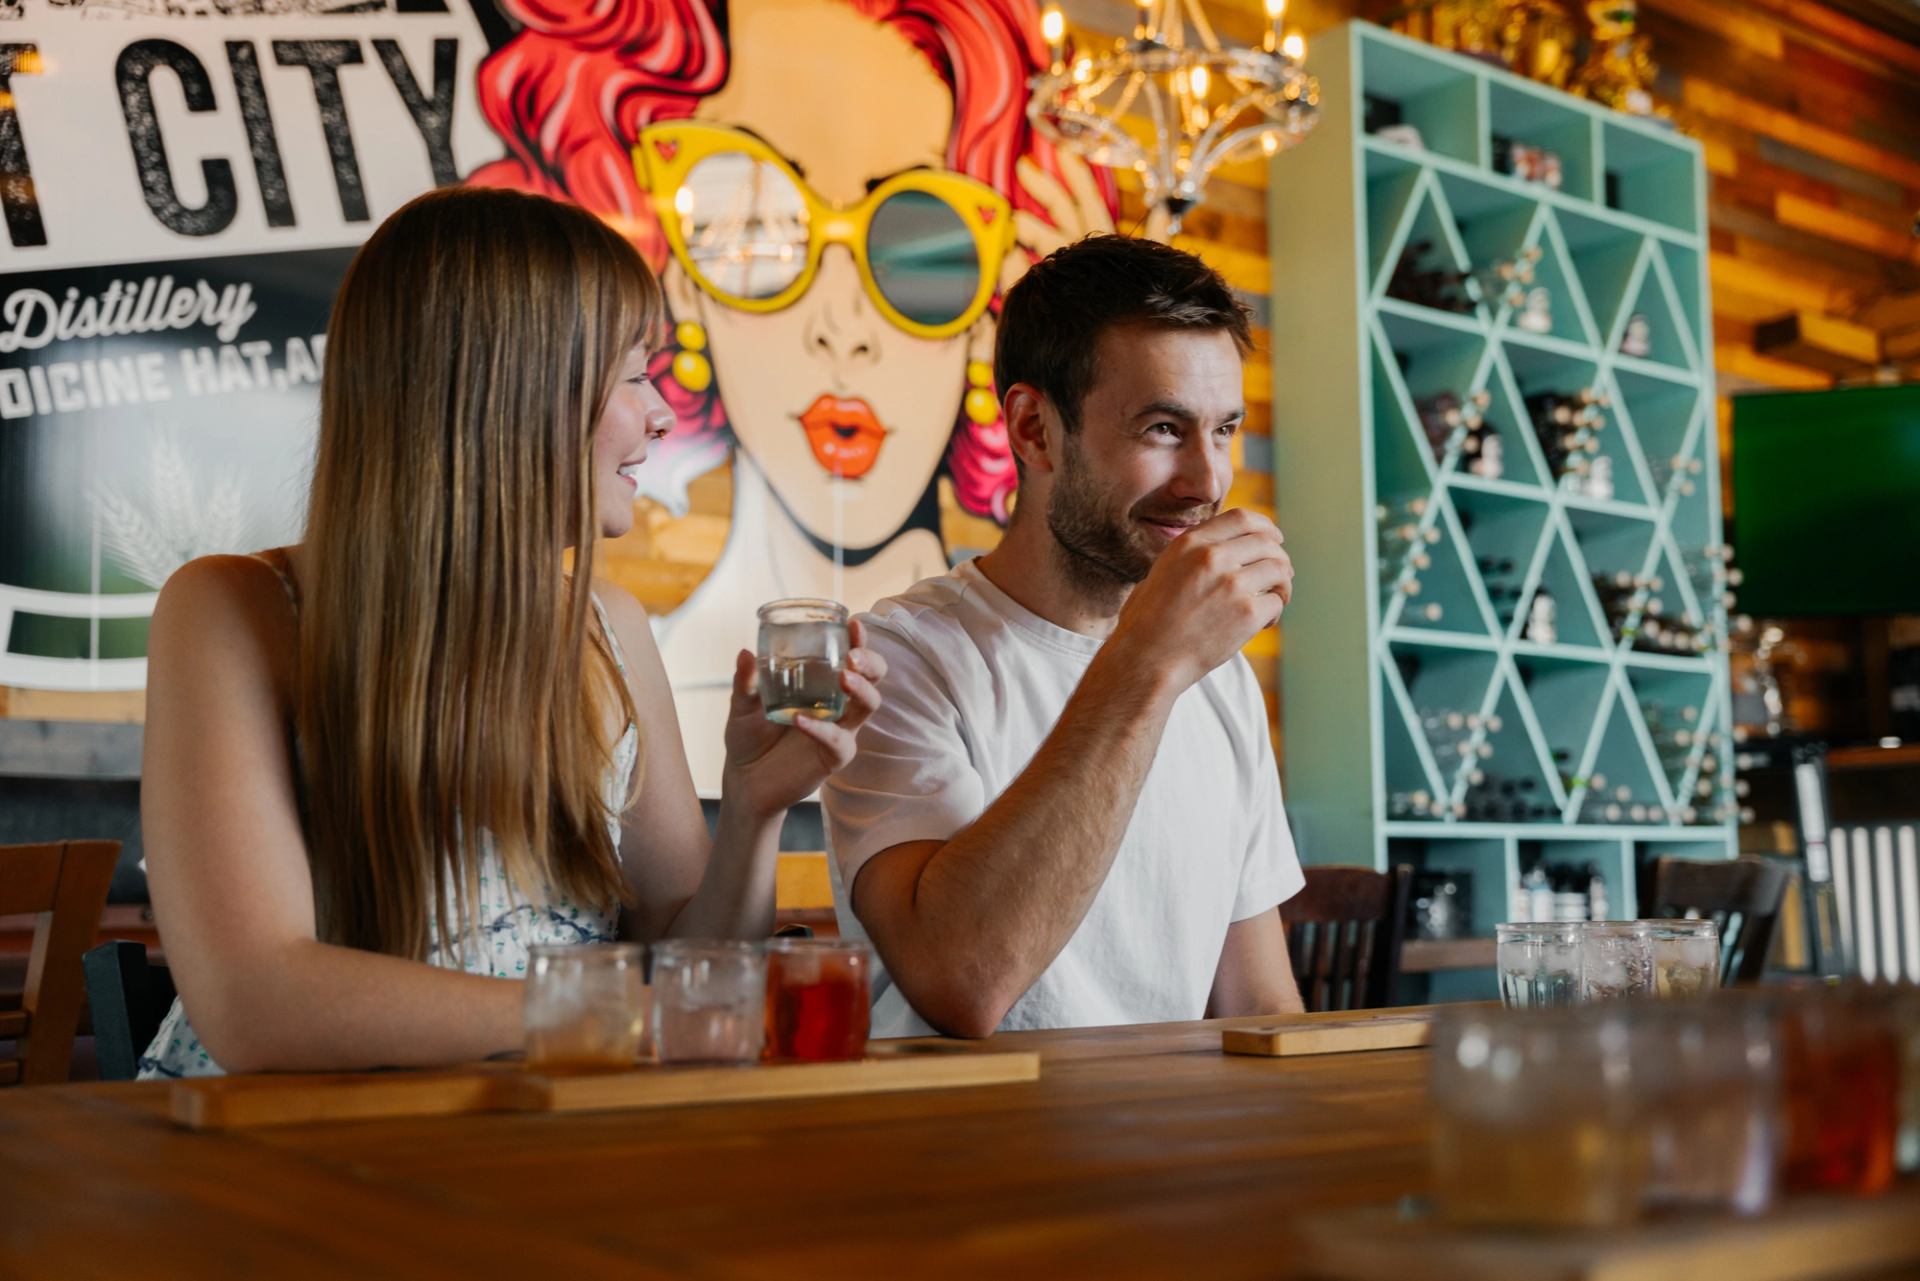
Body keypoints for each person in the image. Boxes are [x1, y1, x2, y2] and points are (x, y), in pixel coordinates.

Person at [135, 187, 885, 1078]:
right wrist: (628, 1011)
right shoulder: (233, 610)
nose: (661, 416)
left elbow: (687, 950)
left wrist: (755, 810)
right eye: (637, 373)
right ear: (513, 386)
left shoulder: (611, 628)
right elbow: (259, 1002)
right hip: (288, 1161)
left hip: (537, 1141)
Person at [469, 0, 1151, 795]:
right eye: (753, 221)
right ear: (682, 283)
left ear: (995, 309)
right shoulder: (621, 659)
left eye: (920, 252)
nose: (841, 328)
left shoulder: (1042, 684)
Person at [822, 234, 1305, 1038]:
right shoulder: (902, 657)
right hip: (975, 1157)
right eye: (1162, 428)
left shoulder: (1219, 680)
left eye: (1223, 430)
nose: (1208, 481)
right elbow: (962, 982)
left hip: (1176, 1154)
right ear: (1034, 430)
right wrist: (1147, 663)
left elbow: (1261, 1005)